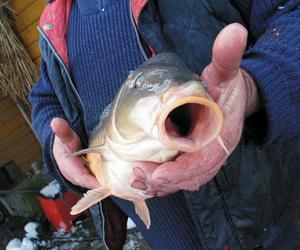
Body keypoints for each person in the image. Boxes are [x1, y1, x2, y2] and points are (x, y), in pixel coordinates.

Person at [29, 0, 300, 249]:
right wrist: (55, 142)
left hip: (267, 230)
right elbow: (46, 95)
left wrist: (255, 85)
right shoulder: (55, 21)